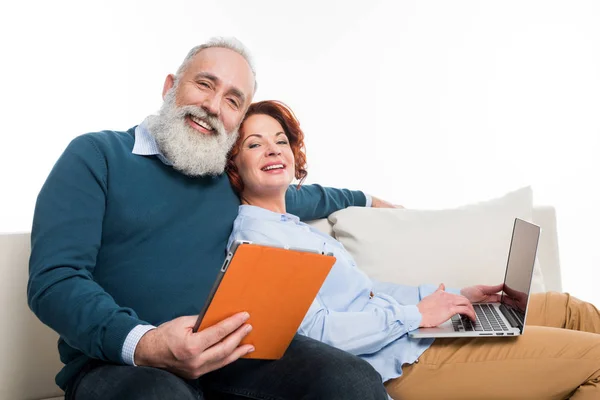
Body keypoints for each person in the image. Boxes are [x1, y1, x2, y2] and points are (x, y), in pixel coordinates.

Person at [27, 38, 391, 400]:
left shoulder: (228, 179)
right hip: (121, 362)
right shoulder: (97, 156)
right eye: (204, 84)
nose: (213, 107)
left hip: (232, 351)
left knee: (351, 380)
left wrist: (368, 199)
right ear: (170, 86)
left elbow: (298, 196)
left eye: (233, 100)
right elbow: (55, 280)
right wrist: (148, 343)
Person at [225, 99, 600, 400]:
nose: (273, 151)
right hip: (402, 361)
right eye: (255, 144)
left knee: (571, 310)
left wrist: (453, 296)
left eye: (280, 140)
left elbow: (365, 293)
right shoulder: (259, 239)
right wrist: (415, 315)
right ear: (235, 165)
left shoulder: (291, 224)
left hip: (412, 334)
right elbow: (316, 333)